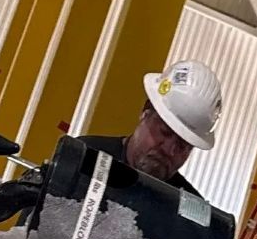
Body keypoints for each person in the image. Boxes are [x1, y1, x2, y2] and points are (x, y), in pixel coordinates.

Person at [78, 59, 223, 199]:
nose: (169, 150)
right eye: (165, 132)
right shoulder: (84, 155)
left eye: (183, 145)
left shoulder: (186, 211)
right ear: (145, 112)